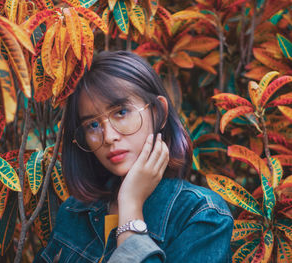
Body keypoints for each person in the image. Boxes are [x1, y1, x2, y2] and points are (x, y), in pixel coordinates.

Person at [34, 51, 233, 263]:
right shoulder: (75, 212)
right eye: (92, 125)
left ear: (159, 113)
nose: (109, 137)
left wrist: (131, 205)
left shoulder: (201, 215)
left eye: (121, 112)